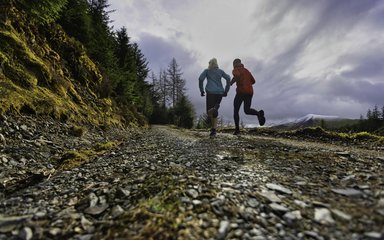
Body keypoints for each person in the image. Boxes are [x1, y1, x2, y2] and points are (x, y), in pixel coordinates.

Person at [231, 58, 265, 135]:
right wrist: (247, 83)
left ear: (234, 64)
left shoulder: (236, 69)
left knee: (236, 110)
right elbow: (253, 81)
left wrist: (231, 82)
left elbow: (236, 75)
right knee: (247, 110)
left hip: (241, 92)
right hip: (249, 92)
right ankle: (258, 114)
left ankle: (237, 130)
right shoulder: (247, 71)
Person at [199, 58, 231, 137]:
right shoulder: (220, 71)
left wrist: (202, 90)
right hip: (220, 93)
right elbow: (228, 78)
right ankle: (213, 131)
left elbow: (200, 79)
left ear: (210, 64)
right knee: (214, 112)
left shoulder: (207, 71)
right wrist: (226, 91)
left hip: (210, 93)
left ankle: (214, 110)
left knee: (209, 112)